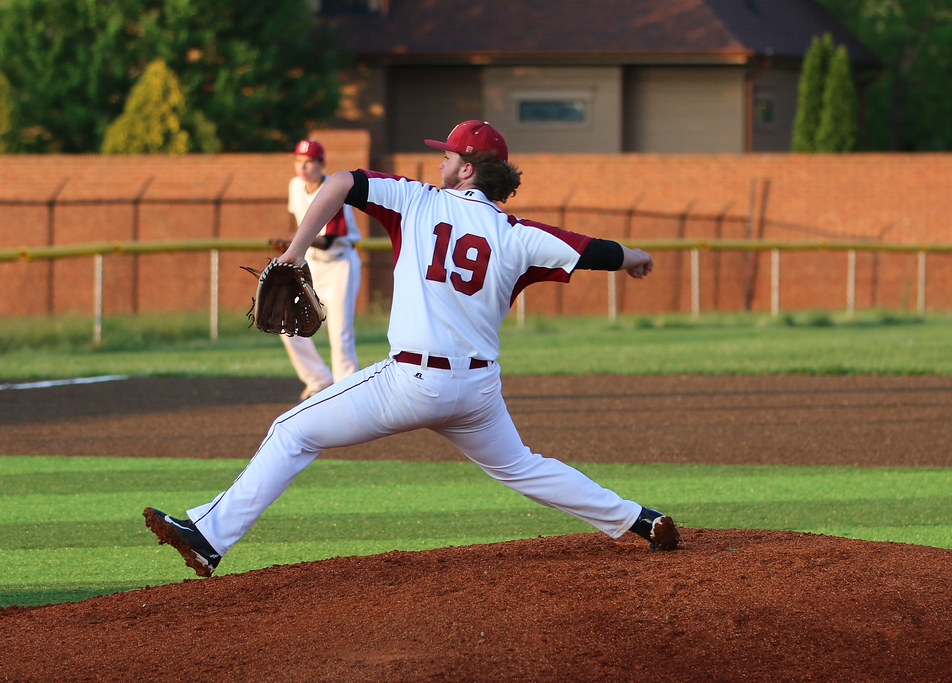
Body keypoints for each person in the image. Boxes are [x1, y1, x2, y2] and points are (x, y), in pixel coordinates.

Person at [144, 120, 680, 578]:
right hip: (477, 391)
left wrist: (293, 251)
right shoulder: (520, 234)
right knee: (522, 466)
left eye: (446, 154)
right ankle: (638, 519)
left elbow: (338, 182)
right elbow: (597, 251)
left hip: (412, 382)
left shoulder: (416, 200)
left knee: (293, 429)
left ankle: (209, 538)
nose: (440, 161)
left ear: (467, 167)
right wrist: (635, 257)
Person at [279, 138, 362, 400]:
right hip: (309, 262)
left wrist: (294, 243)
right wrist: (295, 244)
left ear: (321, 164)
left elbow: (327, 241)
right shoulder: (295, 186)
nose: (303, 168)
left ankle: (346, 392)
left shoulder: (333, 190)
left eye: (309, 162)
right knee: (286, 322)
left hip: (339, 264)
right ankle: (319, 380)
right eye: (299, 161)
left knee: (340, 333)